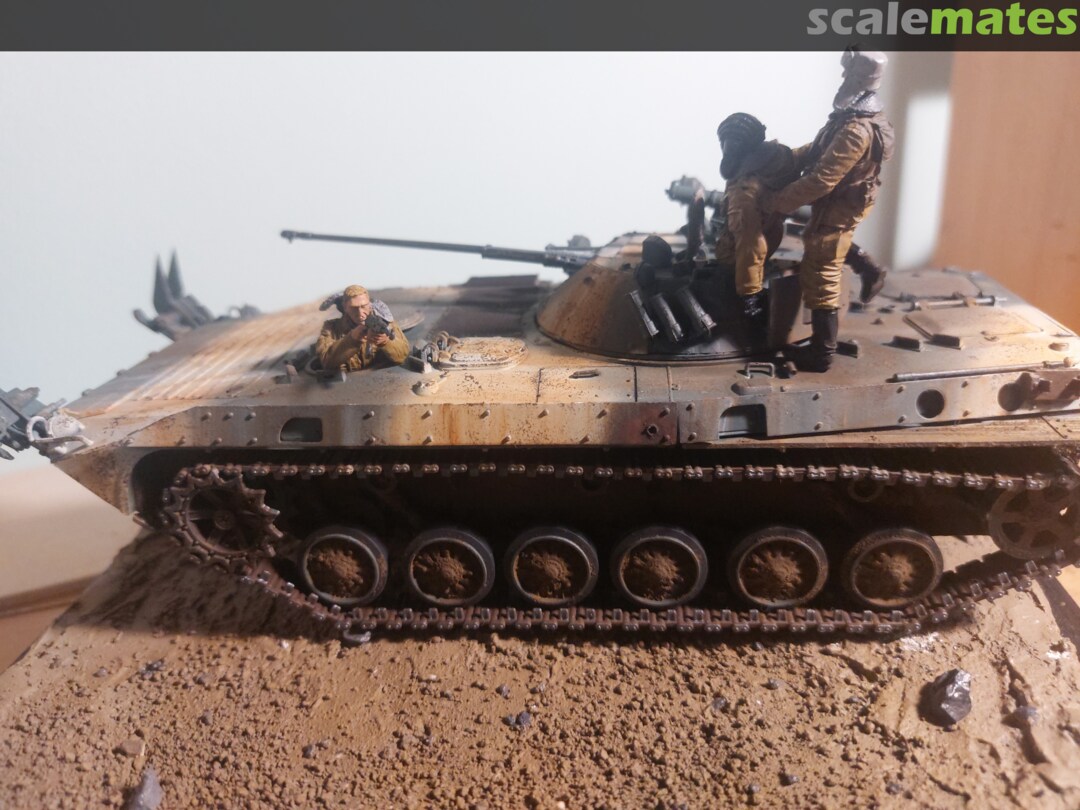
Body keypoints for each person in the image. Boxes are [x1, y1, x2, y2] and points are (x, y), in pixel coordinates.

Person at [763, 48, 894, 372]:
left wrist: (778, 202)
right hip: (842, 201)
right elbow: (820, 149)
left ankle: (822, 351)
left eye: (849, 73)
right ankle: (868, 268)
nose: (843, 77)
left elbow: (823, 179)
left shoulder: (855, 130)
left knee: (821, 267)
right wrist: (786, 157)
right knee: (827, 241)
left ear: (859, 79)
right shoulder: (853, 116)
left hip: (840, 203)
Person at [712, 113, 799, 324]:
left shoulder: (746, 189)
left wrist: (749, 294)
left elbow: (750, 245)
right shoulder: (760, 169)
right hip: (747, 250)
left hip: (746, 252)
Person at [315, 284, 410, 372]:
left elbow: (404, 355)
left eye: (364, 306)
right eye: (354, 308)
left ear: (369, 304)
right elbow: (326, 361)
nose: (360, 313)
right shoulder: (332, 328)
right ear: (345, 307)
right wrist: (352, 339)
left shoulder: (385, 322)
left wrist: (386, 342)